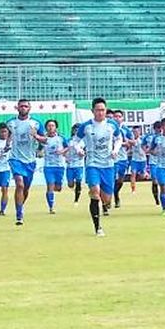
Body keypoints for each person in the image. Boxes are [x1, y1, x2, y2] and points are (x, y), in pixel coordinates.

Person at [73, 97, 122, 236]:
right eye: (98, 110)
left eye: (103, 110)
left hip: (108, 165)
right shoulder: (86, 126)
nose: (100, 113)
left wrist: (115, 150)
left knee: (107, 200)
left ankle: (104, 201)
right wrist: (79, 149)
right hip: (92, 164)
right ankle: (98, 227)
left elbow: (119, 138)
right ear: (92, 111)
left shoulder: (112, 125)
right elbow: (76, 140)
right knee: (94, 191)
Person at [6, 99, 46, 226]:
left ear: (30, 108)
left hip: (30, 160)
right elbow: (8, 137)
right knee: (20, 184)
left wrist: (37, 137)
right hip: (15, 158)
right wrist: (7, 144)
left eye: (25, 106)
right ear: (17, 108)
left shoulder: (36, 123)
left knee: (26, 188)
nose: (23, 108)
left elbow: (45, 140)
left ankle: (20, 205)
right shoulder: (11, 123)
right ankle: (19, 215)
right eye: (21, 106)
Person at [42, 119, 68, 215]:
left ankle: (57, 187)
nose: (50, 127)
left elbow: (67, 147)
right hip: (48, 166)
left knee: (58, 187)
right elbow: (39, 149)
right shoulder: (44, 139)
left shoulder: (61, 138)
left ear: (56, 127)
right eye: (49, 126)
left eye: (52, 125)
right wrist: (40, 152)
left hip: (59, 166)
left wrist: (62, 151)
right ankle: (51, 207)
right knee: (50, 185)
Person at [112, 109, 134, 209]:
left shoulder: (126, 130)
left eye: (119, 116)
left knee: (120, 180)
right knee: (111, 179)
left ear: (122, 118)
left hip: (123, 158)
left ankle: (116, 195)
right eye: (115, 116)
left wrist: (125, 142)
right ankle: (107, 200)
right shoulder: (109, 128)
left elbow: (132, 142)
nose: (117, 118)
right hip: (112, 158)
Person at [65, 123, 85, 206]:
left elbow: (85, 150)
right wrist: (65, 156)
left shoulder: (83, 141)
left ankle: (76, 199)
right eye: (75, 130)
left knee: (78, 181)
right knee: (70, 184)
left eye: (78, 130)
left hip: (79, 164)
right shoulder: (69, 140)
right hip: (70, 165)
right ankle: (76, 189)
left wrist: (83, 153)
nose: (76, 131)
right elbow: (65, 149)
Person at [144, 120, 162, 206]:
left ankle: (163, 197)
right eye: (158, 128)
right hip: (153, 162)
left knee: (162, 181)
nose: (159, 130)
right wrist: (146, 151)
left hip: (163, 162)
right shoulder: (149, 137)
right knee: (155, 181)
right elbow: (143, 144)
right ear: (154, 129)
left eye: (160, 128)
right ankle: (156, 199)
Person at [129, 125, 147, 193]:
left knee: (142, 176)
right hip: (134, 160)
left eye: (136, 131)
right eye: (134, 132)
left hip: (142, 160)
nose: (135, 133)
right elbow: (130, 146)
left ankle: (147, 175)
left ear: (140, 132)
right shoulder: (132, 138)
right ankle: (133, 190)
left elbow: (133, 143)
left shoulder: (142, 139)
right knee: (133, 174)